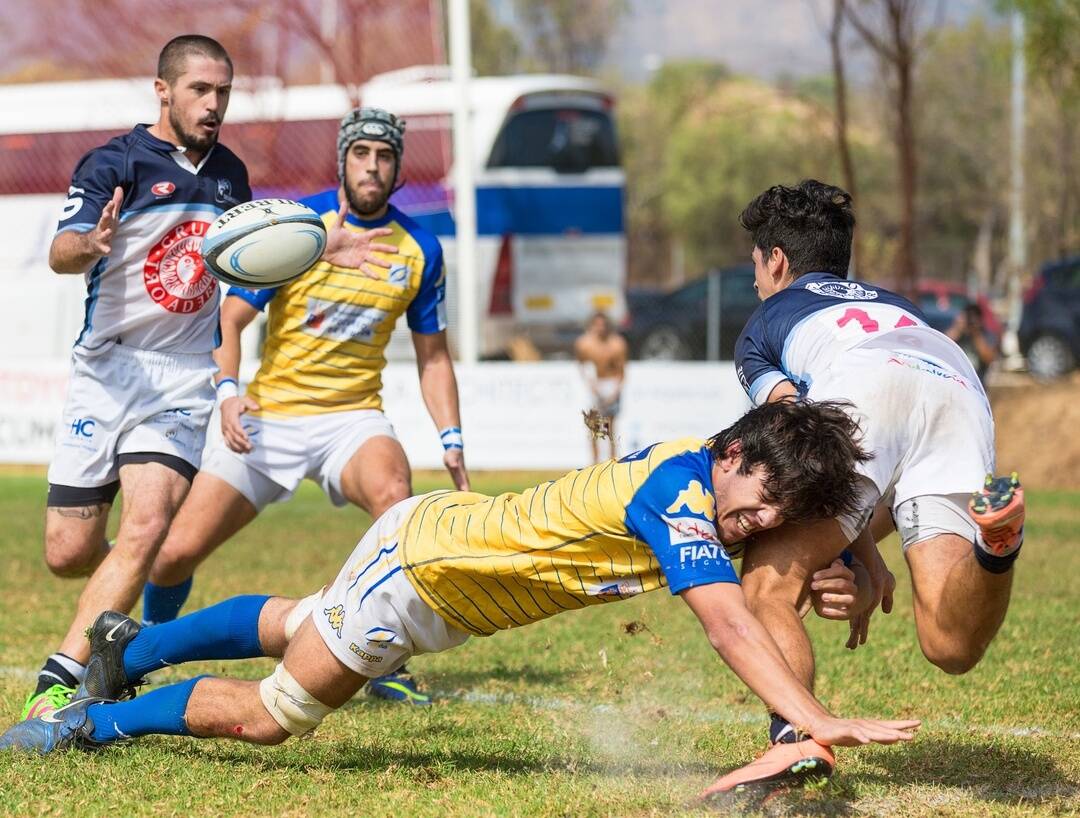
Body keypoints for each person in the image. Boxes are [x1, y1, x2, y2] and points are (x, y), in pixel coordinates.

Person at [0, 401, 921, 800]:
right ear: (731, 459)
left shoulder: (707, 477)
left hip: (443, 556)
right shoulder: (679, 498)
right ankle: (88, 726)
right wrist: (813, 718)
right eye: (758, 500)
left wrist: (844, 565)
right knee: (277, 712)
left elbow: (768, 573)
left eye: (776, 515)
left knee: (297, 620)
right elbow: (728, 621)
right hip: (423, 578)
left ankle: (136, 648)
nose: (758, 522)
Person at [139, 107, 470, 706]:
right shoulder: (295, 227)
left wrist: (451, 439)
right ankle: (145, 645)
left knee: (396, 501)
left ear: (398, 170)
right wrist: (229, 393)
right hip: (270, 418)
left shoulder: (421, 247)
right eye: (362, 153)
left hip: (352, 419)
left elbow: (434, 358)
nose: (373, 165)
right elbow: (230, 322)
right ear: (343, 159)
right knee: (173, 555)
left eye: (385, 156)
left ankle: (382, 659)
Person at [717, 180, 1025, 793]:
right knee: (950, 642)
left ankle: (794, 742)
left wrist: (850, 556)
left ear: (776, 259)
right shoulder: (892, 300)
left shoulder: (764, 322)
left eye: (755, 263)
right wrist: (859, 553)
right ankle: (997, 546)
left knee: (767, 582)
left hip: (865, 383)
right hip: (954, 377)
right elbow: (860, 466)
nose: (755, 279)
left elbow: (799, 443)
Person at [20, 35, 253, 722]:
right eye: (200, 91)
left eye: (223, 93)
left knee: (148, 525)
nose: (213, 105)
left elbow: (241, 257)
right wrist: (88, 244)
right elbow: (64, 249)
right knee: (68, 554)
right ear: (163, 91)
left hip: (182, 375)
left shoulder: (231, 175)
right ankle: (108, 611)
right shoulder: (115, 161)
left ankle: (60, 682)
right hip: (107, 372)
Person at [574, 312, 628, 462]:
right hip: (595, 385)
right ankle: (595, 463)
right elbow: (581, 365)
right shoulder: (584, 343)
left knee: (610, 427)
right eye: (597, 325)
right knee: (593, 426)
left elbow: (622, 370)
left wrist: (615, 391)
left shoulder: (617, 343)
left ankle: (612, 461)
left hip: (611, 384)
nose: (600, 328)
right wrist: (590, 384)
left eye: (602, 325)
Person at [946, 301, 998, 383]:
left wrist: (976, 334)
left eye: (975, 317)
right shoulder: (959, 333)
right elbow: (944, 346)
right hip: (956, 383)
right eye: (969, 317)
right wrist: (958, 328)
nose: (971, 321)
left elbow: (988, 358)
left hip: (977, 386)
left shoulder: (987, 335)